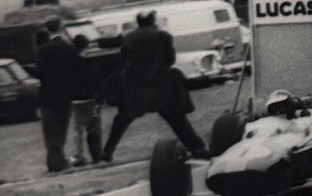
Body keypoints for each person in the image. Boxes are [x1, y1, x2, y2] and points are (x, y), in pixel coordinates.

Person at [100, 11, 208, 162]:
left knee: (122, 119)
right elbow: (170, 60)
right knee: (176, 118)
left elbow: (124, 60)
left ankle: (107, 151)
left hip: (133, 84)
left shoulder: (129, 38)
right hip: (159, 83)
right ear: (153, 21)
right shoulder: (163, 36)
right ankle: (196, 147)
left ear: (138, 22)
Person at [32, 16, 80, 174]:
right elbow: (75, 72)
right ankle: (57, 163)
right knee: (61, 131)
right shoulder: (70, 48)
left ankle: (55, 164)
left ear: (47, 29)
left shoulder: (43, 50)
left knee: (51, 134)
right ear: (61, 28)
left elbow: (39, 73)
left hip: (48, 97)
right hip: (66, 95)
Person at [66, 33, 105, 167]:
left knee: (78, 129)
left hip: (75, 100)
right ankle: (96, 155)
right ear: (85, 46)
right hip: (88, 99)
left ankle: (79, 155)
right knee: (93, 127)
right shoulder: (87, 63)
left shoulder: (69, 64)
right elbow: (94, 82)